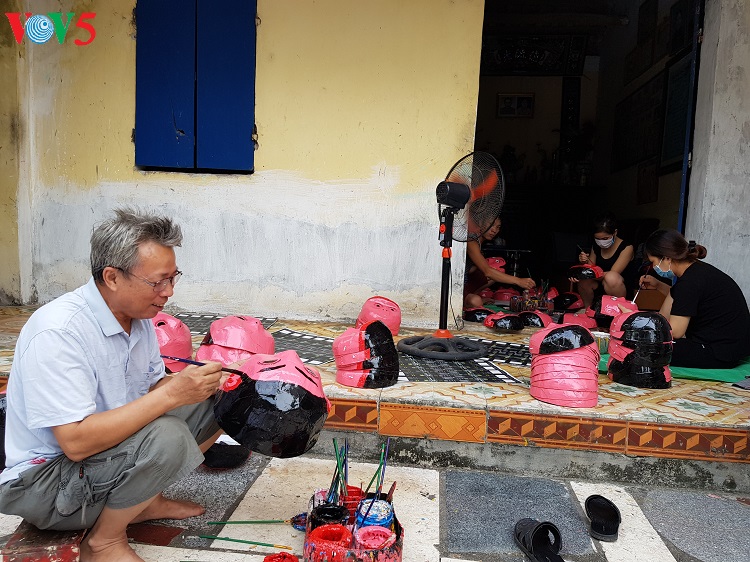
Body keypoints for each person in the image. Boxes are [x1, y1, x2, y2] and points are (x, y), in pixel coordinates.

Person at [0, 208, 225, 562]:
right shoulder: (59, 332)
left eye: (173, 278)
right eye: (157, 282)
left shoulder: (138, 318)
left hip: (98, 461)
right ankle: (103, 542)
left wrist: (200, 383)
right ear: (112, 277)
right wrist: (171, 393)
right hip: (44, 483)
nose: (168, 292)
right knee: (167, 435)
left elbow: (150, 392)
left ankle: (143, 501)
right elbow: (75, 443)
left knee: (217, 400)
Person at [639, 229, 750, 368]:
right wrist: (658, 285)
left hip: (719, 352)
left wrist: (635, 320)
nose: (654, 267)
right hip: (732, 348)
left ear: (667, 258)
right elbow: (678, 301)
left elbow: (676, 331)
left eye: (653, 262)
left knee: (646, 347)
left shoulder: (689, 282)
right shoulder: (696, 271)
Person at [464, 215, 535, 309]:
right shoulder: (471, 240)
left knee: (497, 268)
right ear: (480, 224)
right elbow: (488, 272)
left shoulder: (479, 243)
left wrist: (479, 267)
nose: (494, 230)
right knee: (476, 301)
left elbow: (469, 270)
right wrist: (518, 281)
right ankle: (465, 300)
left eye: (498, 227)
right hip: (455, 288)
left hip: (466, 285)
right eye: (491, 225)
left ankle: (471, 295)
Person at [570, 214, 635, 309]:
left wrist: (587, 274)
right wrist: (583, 263)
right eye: (597, 239)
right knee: (584, 280)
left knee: (611, 277)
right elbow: (591, 268)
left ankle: (619, 310)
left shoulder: (627, 248)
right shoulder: (596, 246)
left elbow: (613, 273)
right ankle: (588, 310)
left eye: (605, 239)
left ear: (615, 232)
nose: (601, 242)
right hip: (598, 285)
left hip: (618, 288)